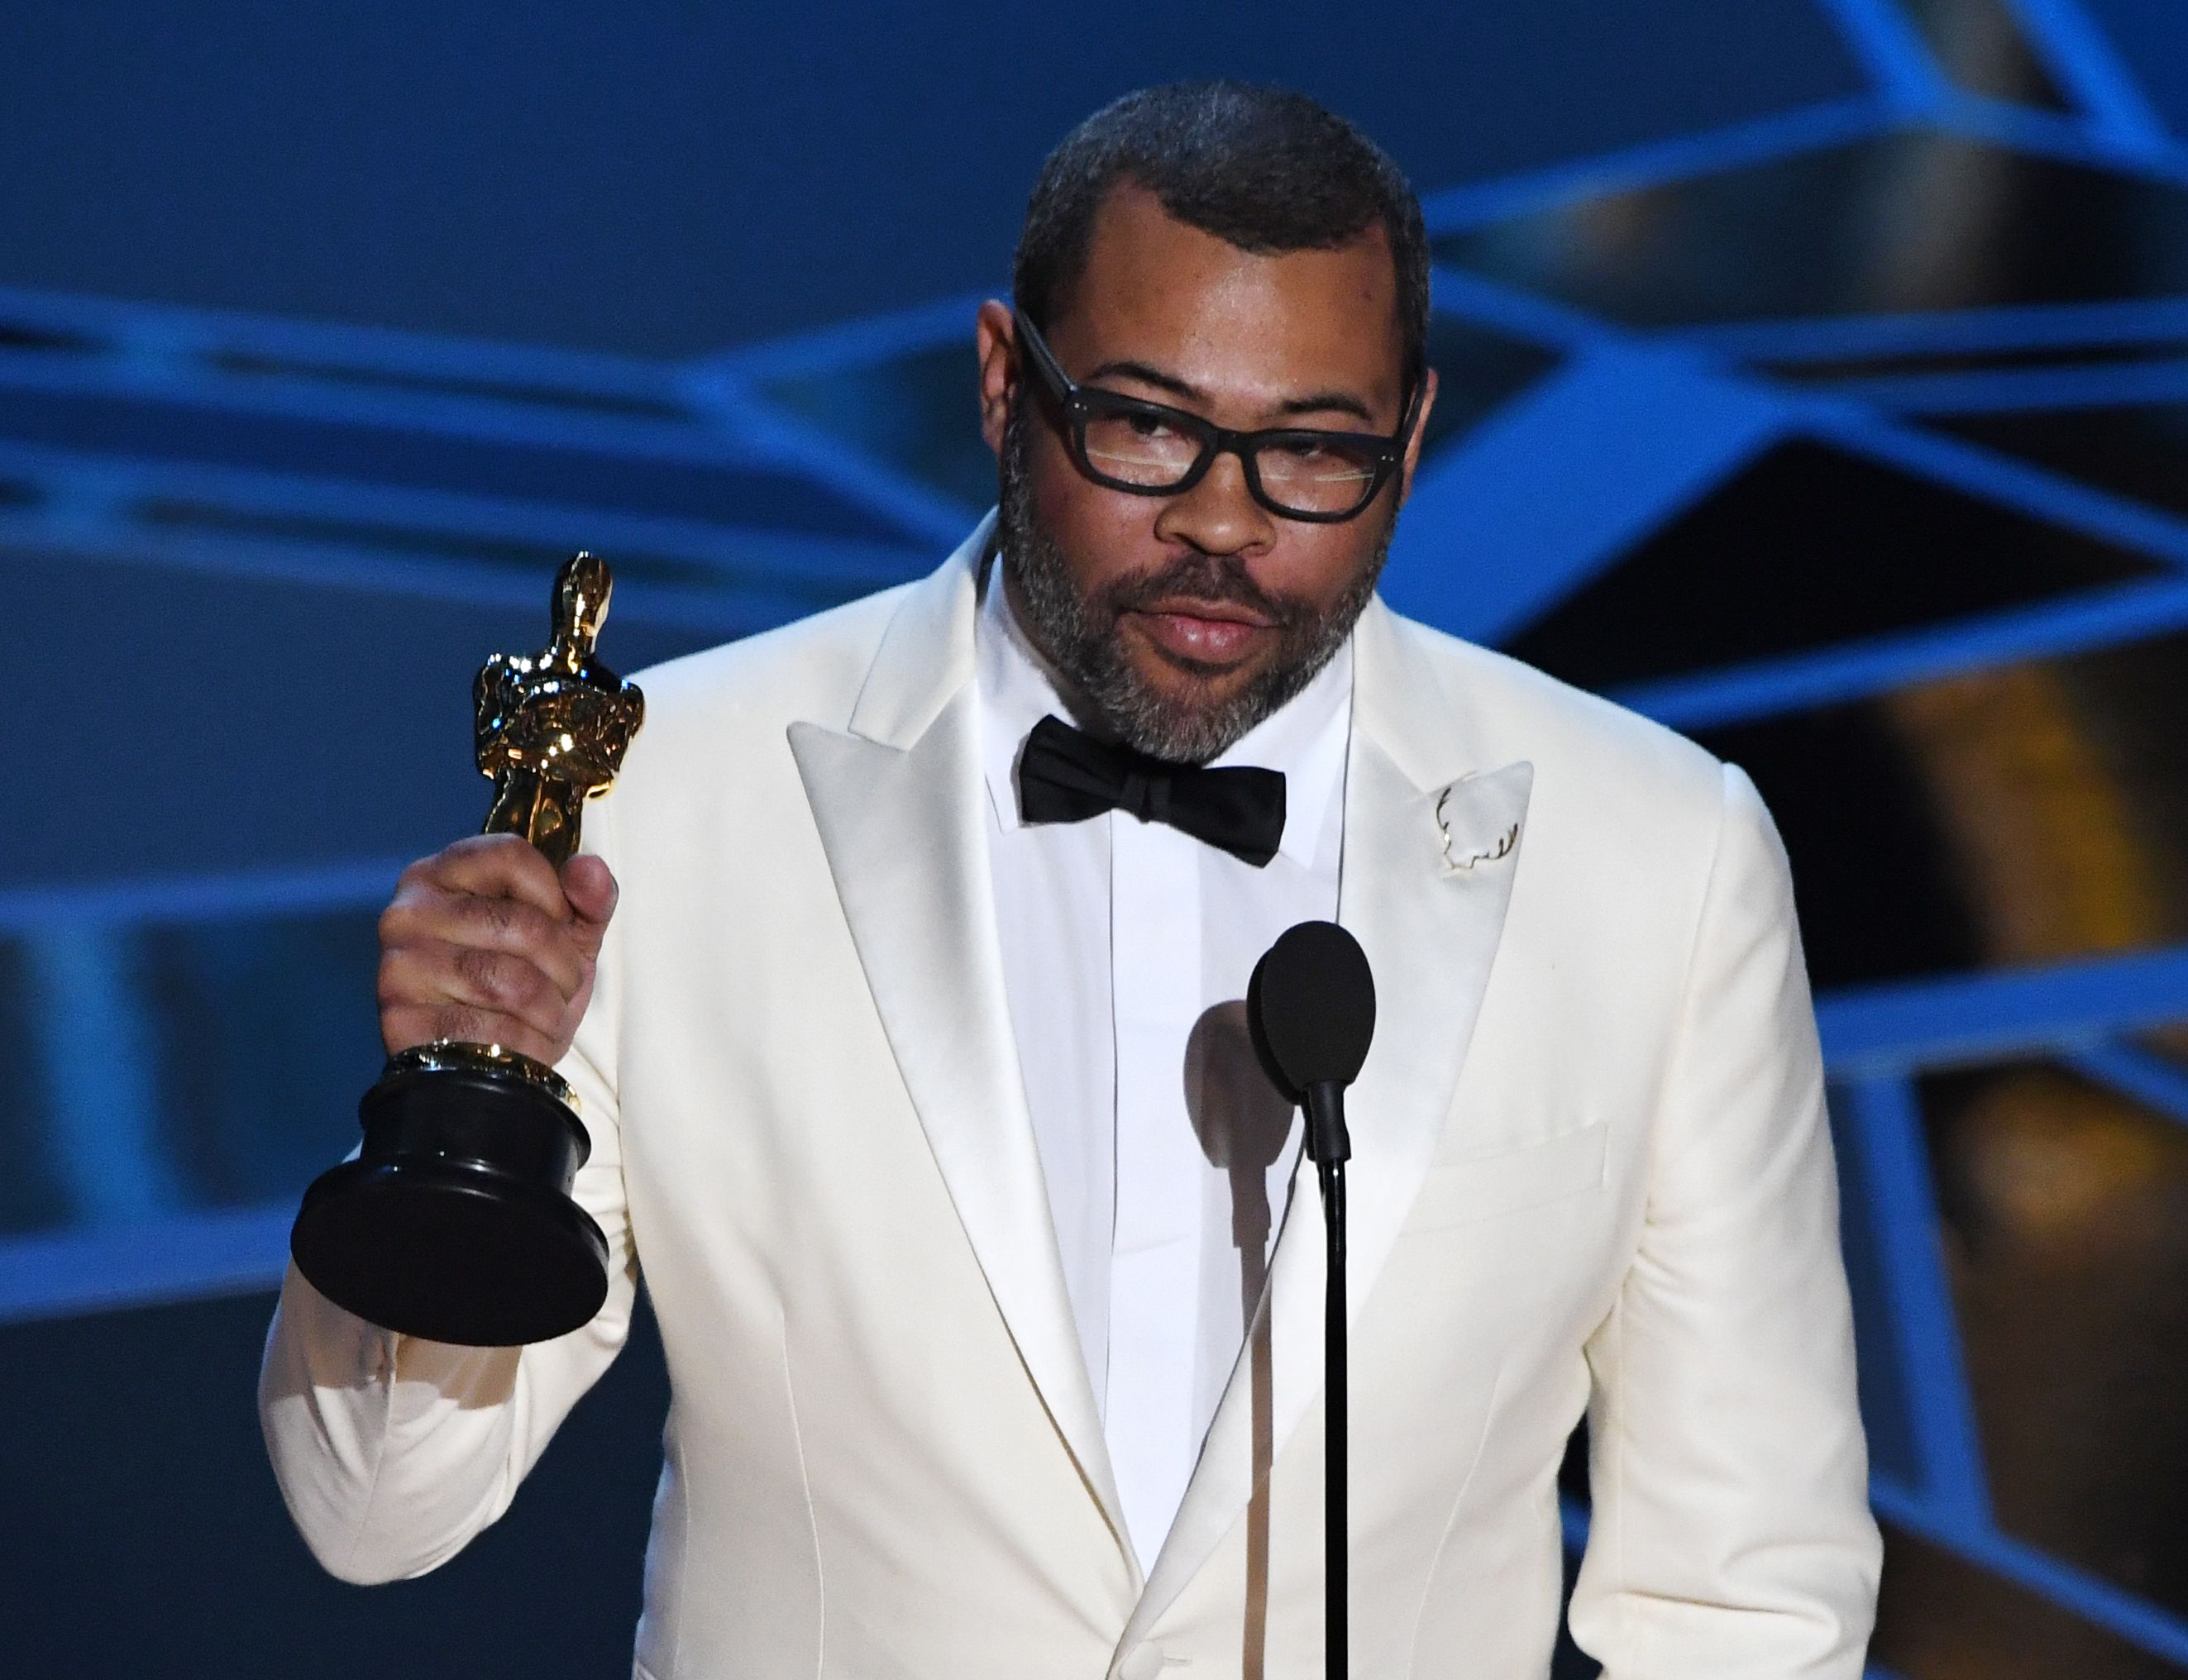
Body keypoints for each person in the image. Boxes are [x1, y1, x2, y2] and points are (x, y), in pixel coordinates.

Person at [260, 80, 1880, 1678]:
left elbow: (1746, 1605)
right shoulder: (672, 790)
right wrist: (445, 1116)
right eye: (1150, 426)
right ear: (997, 381)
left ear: (1414, 434)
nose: (1224, 525)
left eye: (1314, 449)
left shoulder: (1655, 854)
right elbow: (374, 1506)